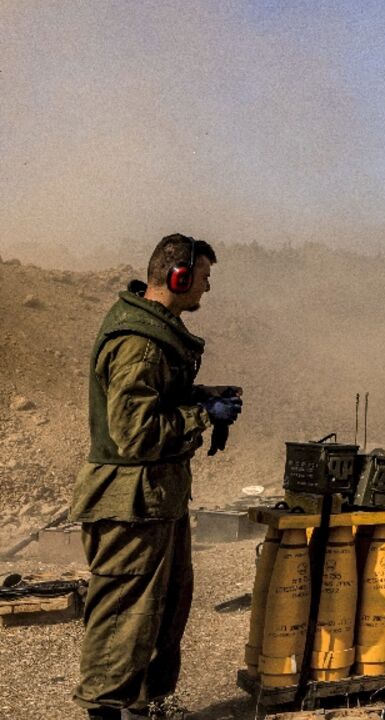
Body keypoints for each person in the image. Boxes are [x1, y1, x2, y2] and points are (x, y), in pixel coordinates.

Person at [71, 234, 242, 720]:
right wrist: (202, 414)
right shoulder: (140, 344)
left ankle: (143, 707)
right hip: (130, 502)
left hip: (153, 500)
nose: (206, 291)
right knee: (124, 616)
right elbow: (135, 433)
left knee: (162, 612)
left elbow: (153, 399)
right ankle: (105, 711)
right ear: (178, 277)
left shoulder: (155, 333)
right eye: (202, 280)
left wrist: (198, 394)